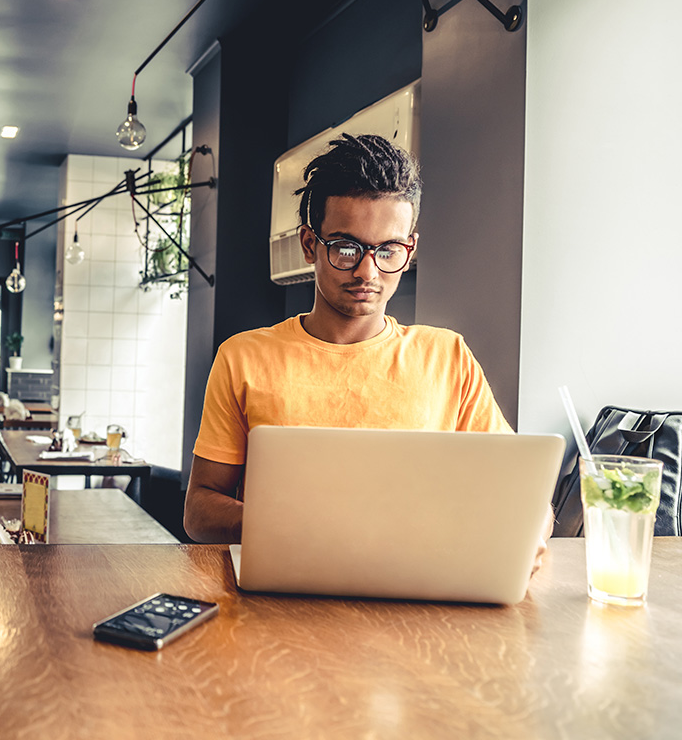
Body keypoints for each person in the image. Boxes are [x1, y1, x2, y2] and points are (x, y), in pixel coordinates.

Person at [183, 133, 549, 567]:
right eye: (346, 247)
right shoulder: (243, 357)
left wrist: (532, 532)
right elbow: (200, 510)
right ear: (308, 245)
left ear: (408, 250)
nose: (366, 271)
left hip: (417, 596)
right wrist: (299, 529)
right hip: (282, 596)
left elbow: (523, 496)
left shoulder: (447, 357)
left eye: (388, 249)